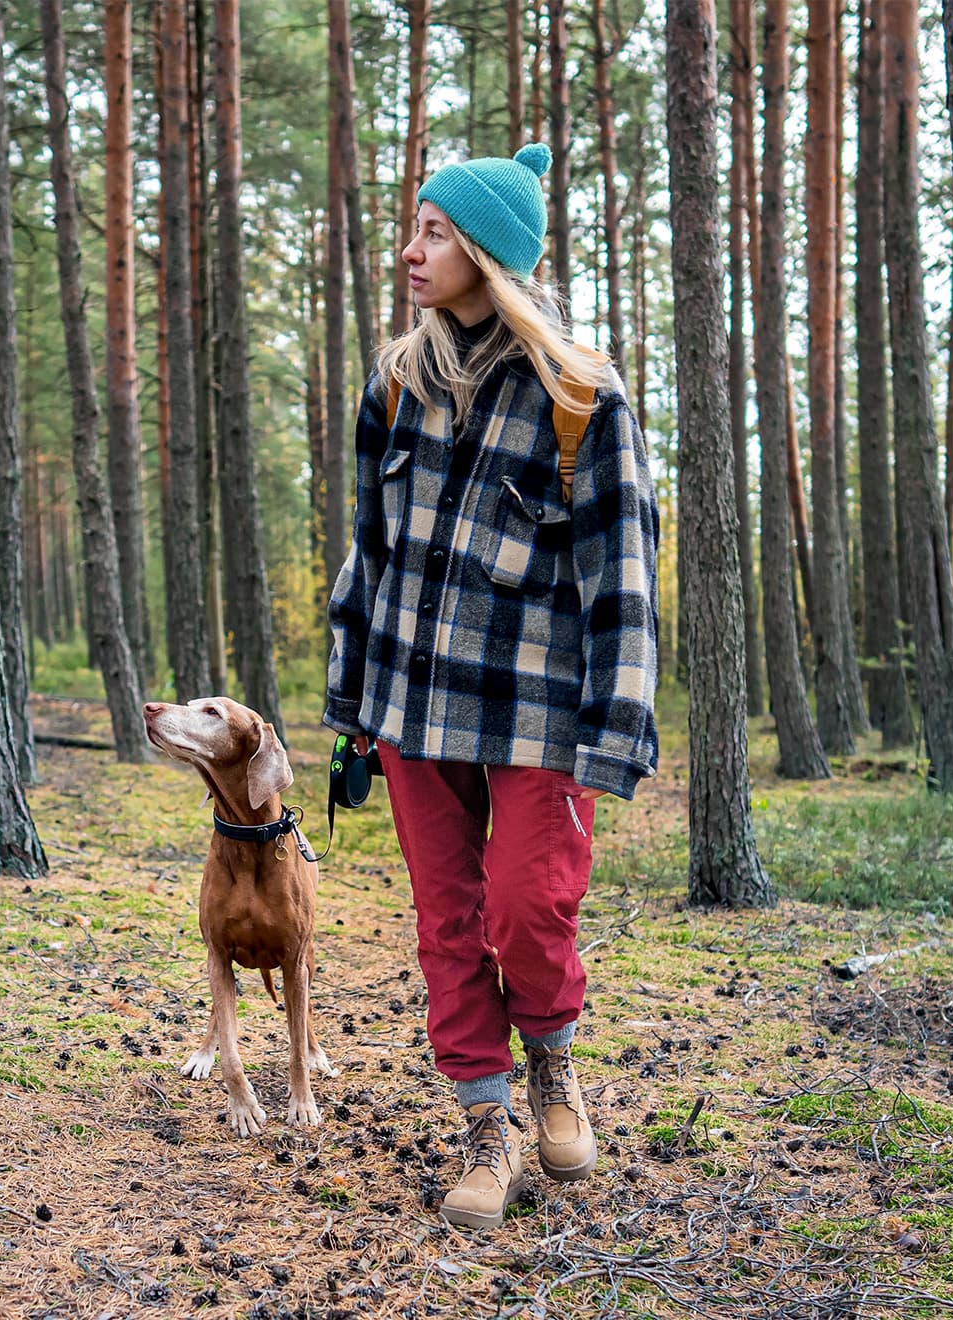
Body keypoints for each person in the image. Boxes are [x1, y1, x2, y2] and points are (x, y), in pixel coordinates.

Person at [323, 142, 660, 1230]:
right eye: (414, 229)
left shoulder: (581, 398)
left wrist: (615, 729)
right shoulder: (393, 384)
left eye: (433, 234)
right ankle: (486, 1125)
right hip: (414, 708)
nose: (410, 251)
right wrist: (350, 702)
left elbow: (624, 581)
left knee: (525, 907)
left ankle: (553, 1063)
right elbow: (368, 555)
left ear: (486, 254)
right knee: (446, 924)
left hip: (536, 715)